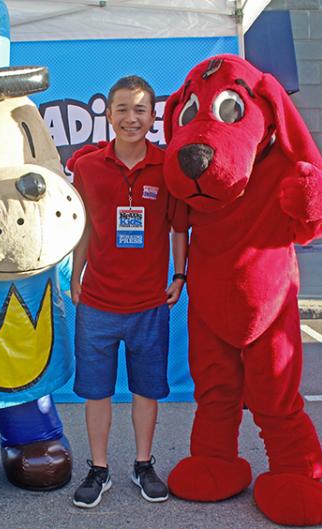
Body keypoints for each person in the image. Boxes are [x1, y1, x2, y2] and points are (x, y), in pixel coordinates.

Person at [69, 75, 188, 508]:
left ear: (152, 116)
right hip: (98, 304)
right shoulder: (86, 167)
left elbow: (178, 227)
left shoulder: (167, 166)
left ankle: (142, 464)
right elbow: (81, 229)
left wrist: (179, 276)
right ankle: (98, 470)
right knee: (97, 392)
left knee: (146, 390)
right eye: (122, 109)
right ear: (108, 114)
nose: (131, 118)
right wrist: (75, 275)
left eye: (140, 109)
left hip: (149, 306)